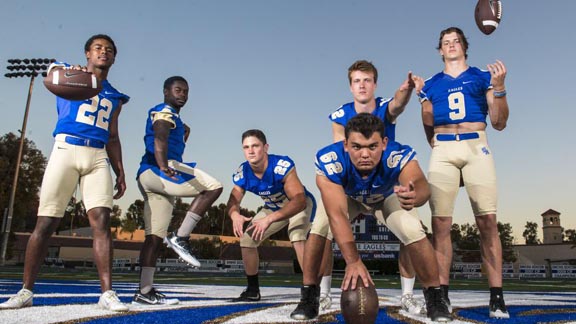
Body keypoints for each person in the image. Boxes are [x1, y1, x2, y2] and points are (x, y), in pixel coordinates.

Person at [0, 34, 129, 311]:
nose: (103, 53)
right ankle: (26, 291)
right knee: (46, 223)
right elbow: (52, 72)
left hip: (97, 156)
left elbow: (113, 136)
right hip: (66, 149)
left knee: (102, 223)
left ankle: (107, 293)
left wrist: (120, 169)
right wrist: (70, 72)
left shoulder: (115, 95)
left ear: (114, 58)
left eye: (108, 50)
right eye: (98, 48)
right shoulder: (68, 72)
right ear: (87, 54)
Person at [292, 113, 452, 322]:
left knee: (413, 229)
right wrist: (353, 260)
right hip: (348, 198)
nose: (365, 154)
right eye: (357, 147)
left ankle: (435, 297)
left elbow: (420, 184)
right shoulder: (331, 160)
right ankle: (309, 296)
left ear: (384, 143)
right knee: (319, 227)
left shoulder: (396, 155)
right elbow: (337, 214)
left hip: (386, 197)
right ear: (346, 144)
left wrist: (415, 196)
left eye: (372, 146)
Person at [296, 60, 425, 316]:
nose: (362, 85)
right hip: (351, 188)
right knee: (321, 228)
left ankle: (408, 295)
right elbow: (339, 153)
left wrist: (407, 91)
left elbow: (397, 104)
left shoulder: (386, 106)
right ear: (351, 86)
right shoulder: (340, 115)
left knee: (412, 230)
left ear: (375, 84)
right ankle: (318, 295)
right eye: (357, 81)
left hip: (385, 185)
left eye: (367, 80)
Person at [415, 26, 510, 319]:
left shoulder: (483, 77)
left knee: (488, 222)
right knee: (440, 225)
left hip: (475, 146)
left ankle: (496, 296)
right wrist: (434, 142)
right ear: (440, 50)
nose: (451, 45)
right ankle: (442, 295)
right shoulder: (430, 83)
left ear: (464, 47)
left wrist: (501, 87)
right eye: (446, 42)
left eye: (456, 40)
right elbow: (427, 119)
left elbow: (499, 122)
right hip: (444, 149)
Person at [134, 76, 223, 305]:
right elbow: (160, 134)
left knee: (154, 238)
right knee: (214, 187)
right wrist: (164, 164)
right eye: (177, 90)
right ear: (165, 91)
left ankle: (144, 293)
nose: (182, 94)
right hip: (160, 169)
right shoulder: (165, 110)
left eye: (185, 91)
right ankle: (181, 237)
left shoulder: (177, 119)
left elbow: (170, 134)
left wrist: (183, 133)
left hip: (150, 175)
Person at [227, 129, 315, 301]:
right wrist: (234, 214)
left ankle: (311, 290)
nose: (250, 151)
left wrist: (268, 219)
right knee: (247, 240)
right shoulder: (243, 171)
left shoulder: (280, 166)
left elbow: (299, 200)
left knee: (296, 235)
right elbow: (233, 200)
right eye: (246, 147)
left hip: (297, 205)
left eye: (255, 146)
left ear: (265, 147)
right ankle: (253, 290)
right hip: (273, 207)